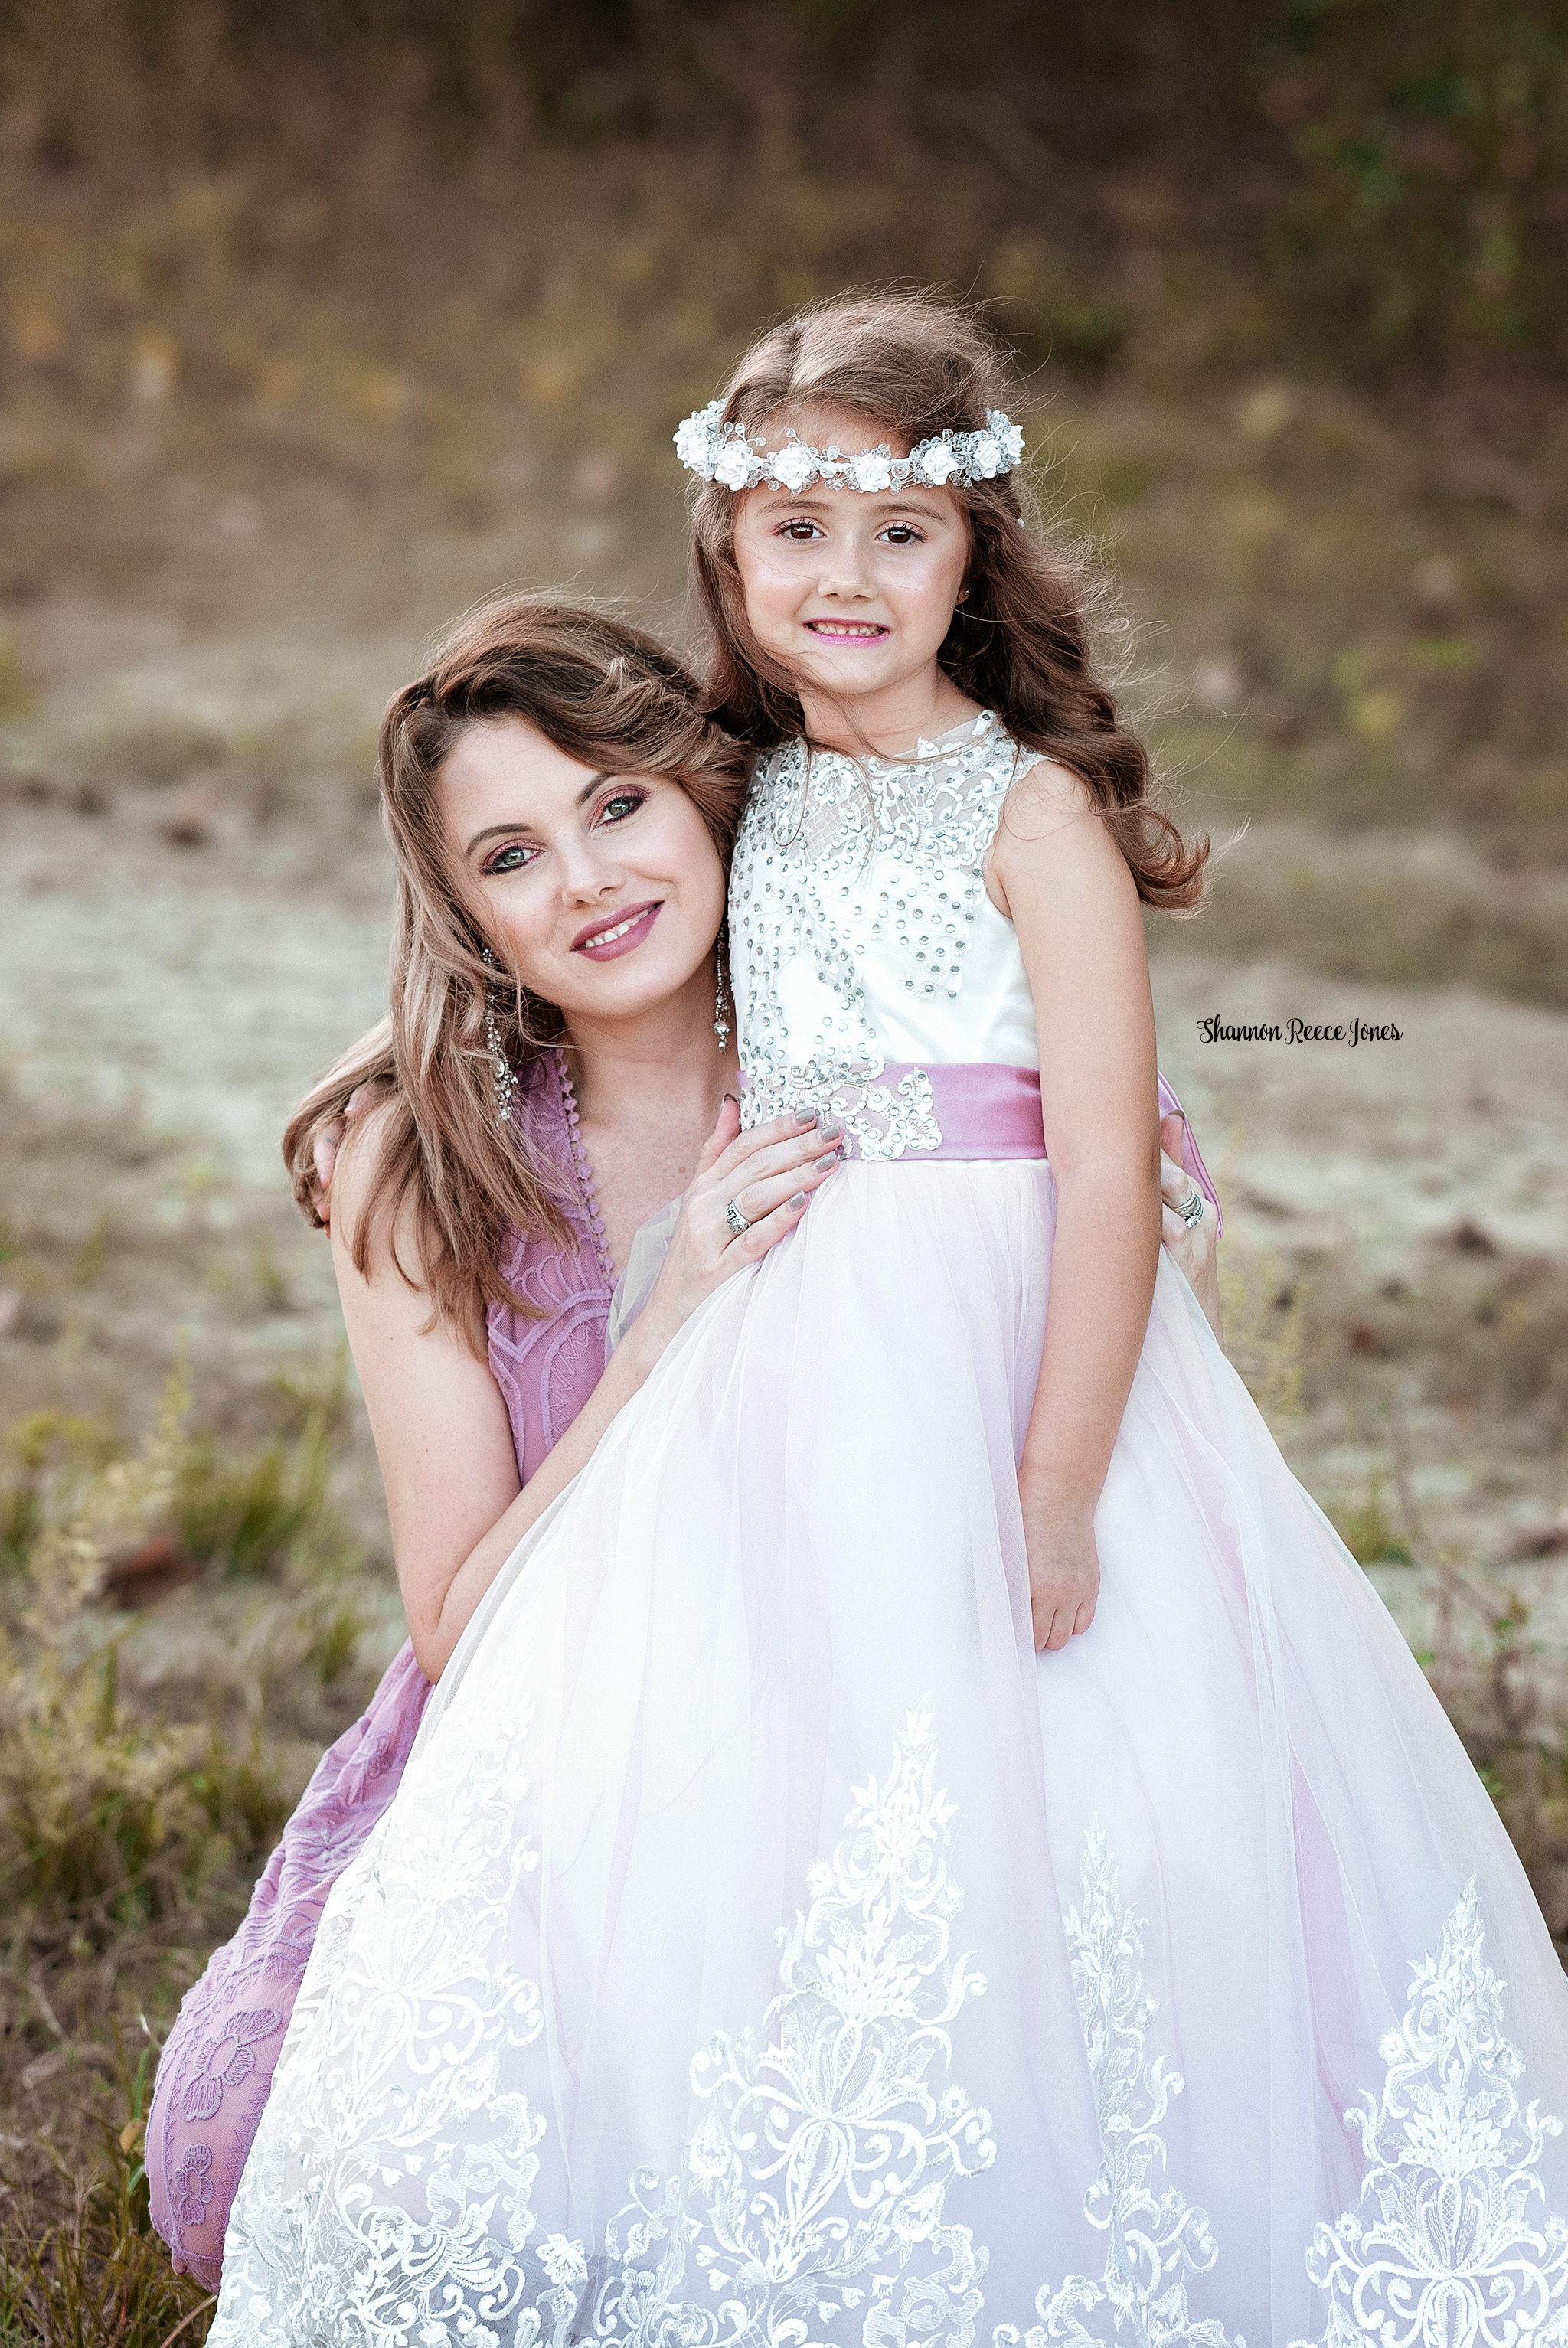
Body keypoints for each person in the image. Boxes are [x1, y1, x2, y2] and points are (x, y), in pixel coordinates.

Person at [212, 288, 1568, 2341]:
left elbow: (1094, 1139)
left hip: (998, 1351)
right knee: (824, 1763)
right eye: (794, 533)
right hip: (799, 1349)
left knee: (1097, 1767)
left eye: (899, 531)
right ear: (729, 563)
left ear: (975, 550)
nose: (845, 577)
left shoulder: (1002, 801)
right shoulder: (765, 801)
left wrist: (1054, 1471)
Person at [145, 596, 1220, 2291]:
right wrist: (663, 1325)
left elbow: (1085, 1297)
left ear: (706, 792)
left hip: (887, 1700)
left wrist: (1142, 1237)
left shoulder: (884, 1066)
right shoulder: (419, 1169)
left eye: (617, 802)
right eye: (512, 855)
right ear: (471, 918)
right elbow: (459, 1624)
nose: (585, 880)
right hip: (568, 1738)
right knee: (279, 2155)